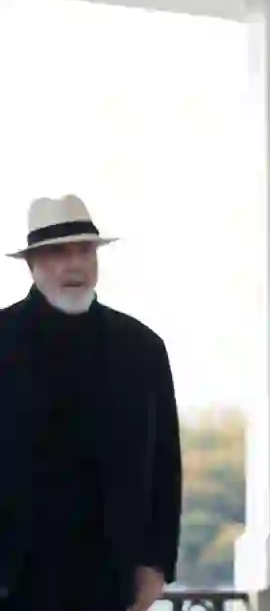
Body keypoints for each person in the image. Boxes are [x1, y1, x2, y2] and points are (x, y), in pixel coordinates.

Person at [0, 195, 182, 611]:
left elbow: (165, 466)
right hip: (12, 579)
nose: (74, 265)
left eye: (84, 251)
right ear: (32, 264)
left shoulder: (142, 348)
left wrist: (156, 564)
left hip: (108, 579)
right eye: (58, 253)